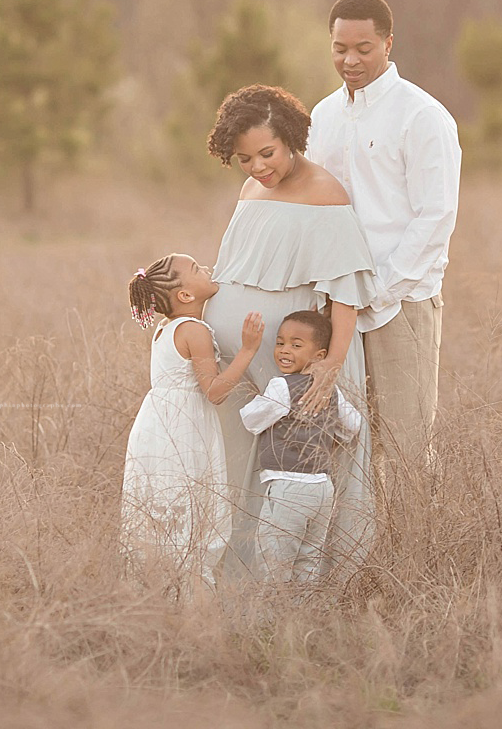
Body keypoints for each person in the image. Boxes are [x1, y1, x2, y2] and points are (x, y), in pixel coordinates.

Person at [200, 85, 378, 583]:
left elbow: (344, 297)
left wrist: (331, 364)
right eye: (243, 158)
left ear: (292, 139)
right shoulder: (250, 191)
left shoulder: (325, 194)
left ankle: (315, 585)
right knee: (243, 463)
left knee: (307, 462)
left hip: (297, 361)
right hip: (244, 361)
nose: (257, 167)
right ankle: (242, 581)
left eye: (267, 153)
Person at [306, 0, 461, 486]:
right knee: (342, 445)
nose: (349, 60)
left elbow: (435, 215)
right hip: (335, 307)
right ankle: (358, 560)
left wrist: (380, 288)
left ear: (389, 44)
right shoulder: (323, 116)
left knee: (406, 446)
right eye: (339, 48)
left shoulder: (422, 115)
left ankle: (416, 553)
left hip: (402, 303)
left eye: (364, 48)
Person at [121, 253, 265, 592]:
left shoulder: (166, 328)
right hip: (183, 430)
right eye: (198, 269)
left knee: (165, 506)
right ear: (185, 296)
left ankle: (159, 587)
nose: (209, 269)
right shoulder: (194, 331)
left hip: (156, 427)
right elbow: (214, 392)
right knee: (190, 509)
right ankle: (190, 594)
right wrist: (247, 350)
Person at [239, 310, 362, 585]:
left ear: (319, 355)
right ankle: (304, 615)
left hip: (288, 487)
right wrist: (329, 428)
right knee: (310, 559)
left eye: (296, 345)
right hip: (322, 488)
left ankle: (272, 622)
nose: (284, 351)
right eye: (280, 343)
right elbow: (353, 426)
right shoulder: (332, 390)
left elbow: (252, 420)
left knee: (275, 562)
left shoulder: (282, 386)